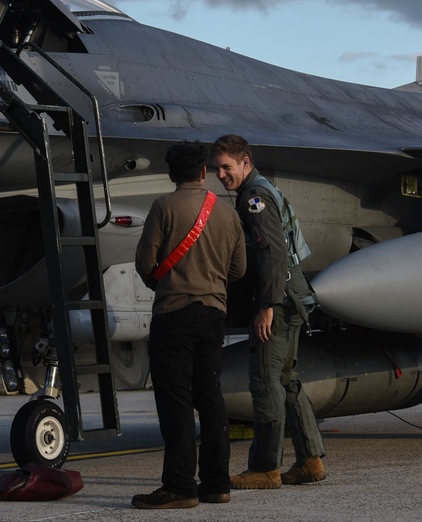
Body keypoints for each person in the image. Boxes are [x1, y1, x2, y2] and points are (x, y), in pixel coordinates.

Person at [132, 141, 246, 510]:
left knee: (176, 400)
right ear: (203, 172)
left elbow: (145, 263)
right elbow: (239, 269)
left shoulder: (163, 206)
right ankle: (216, 483)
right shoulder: (227, 212)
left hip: (174, 315)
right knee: (209, 398)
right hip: (213, 315)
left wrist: (167, 282)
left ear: (171, 174)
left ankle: (180, 486)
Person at [210, 134, 327, 489]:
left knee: (264, 383)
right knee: (287, 381)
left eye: (227, 167)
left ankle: (265, 467)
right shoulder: (261, 189)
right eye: (217, 169)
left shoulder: (254, 197)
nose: (222, 175)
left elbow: (272, 254)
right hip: (291, 296)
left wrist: (265, 307)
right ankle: (310, 461)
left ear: (245, 162)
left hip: (278, 300)